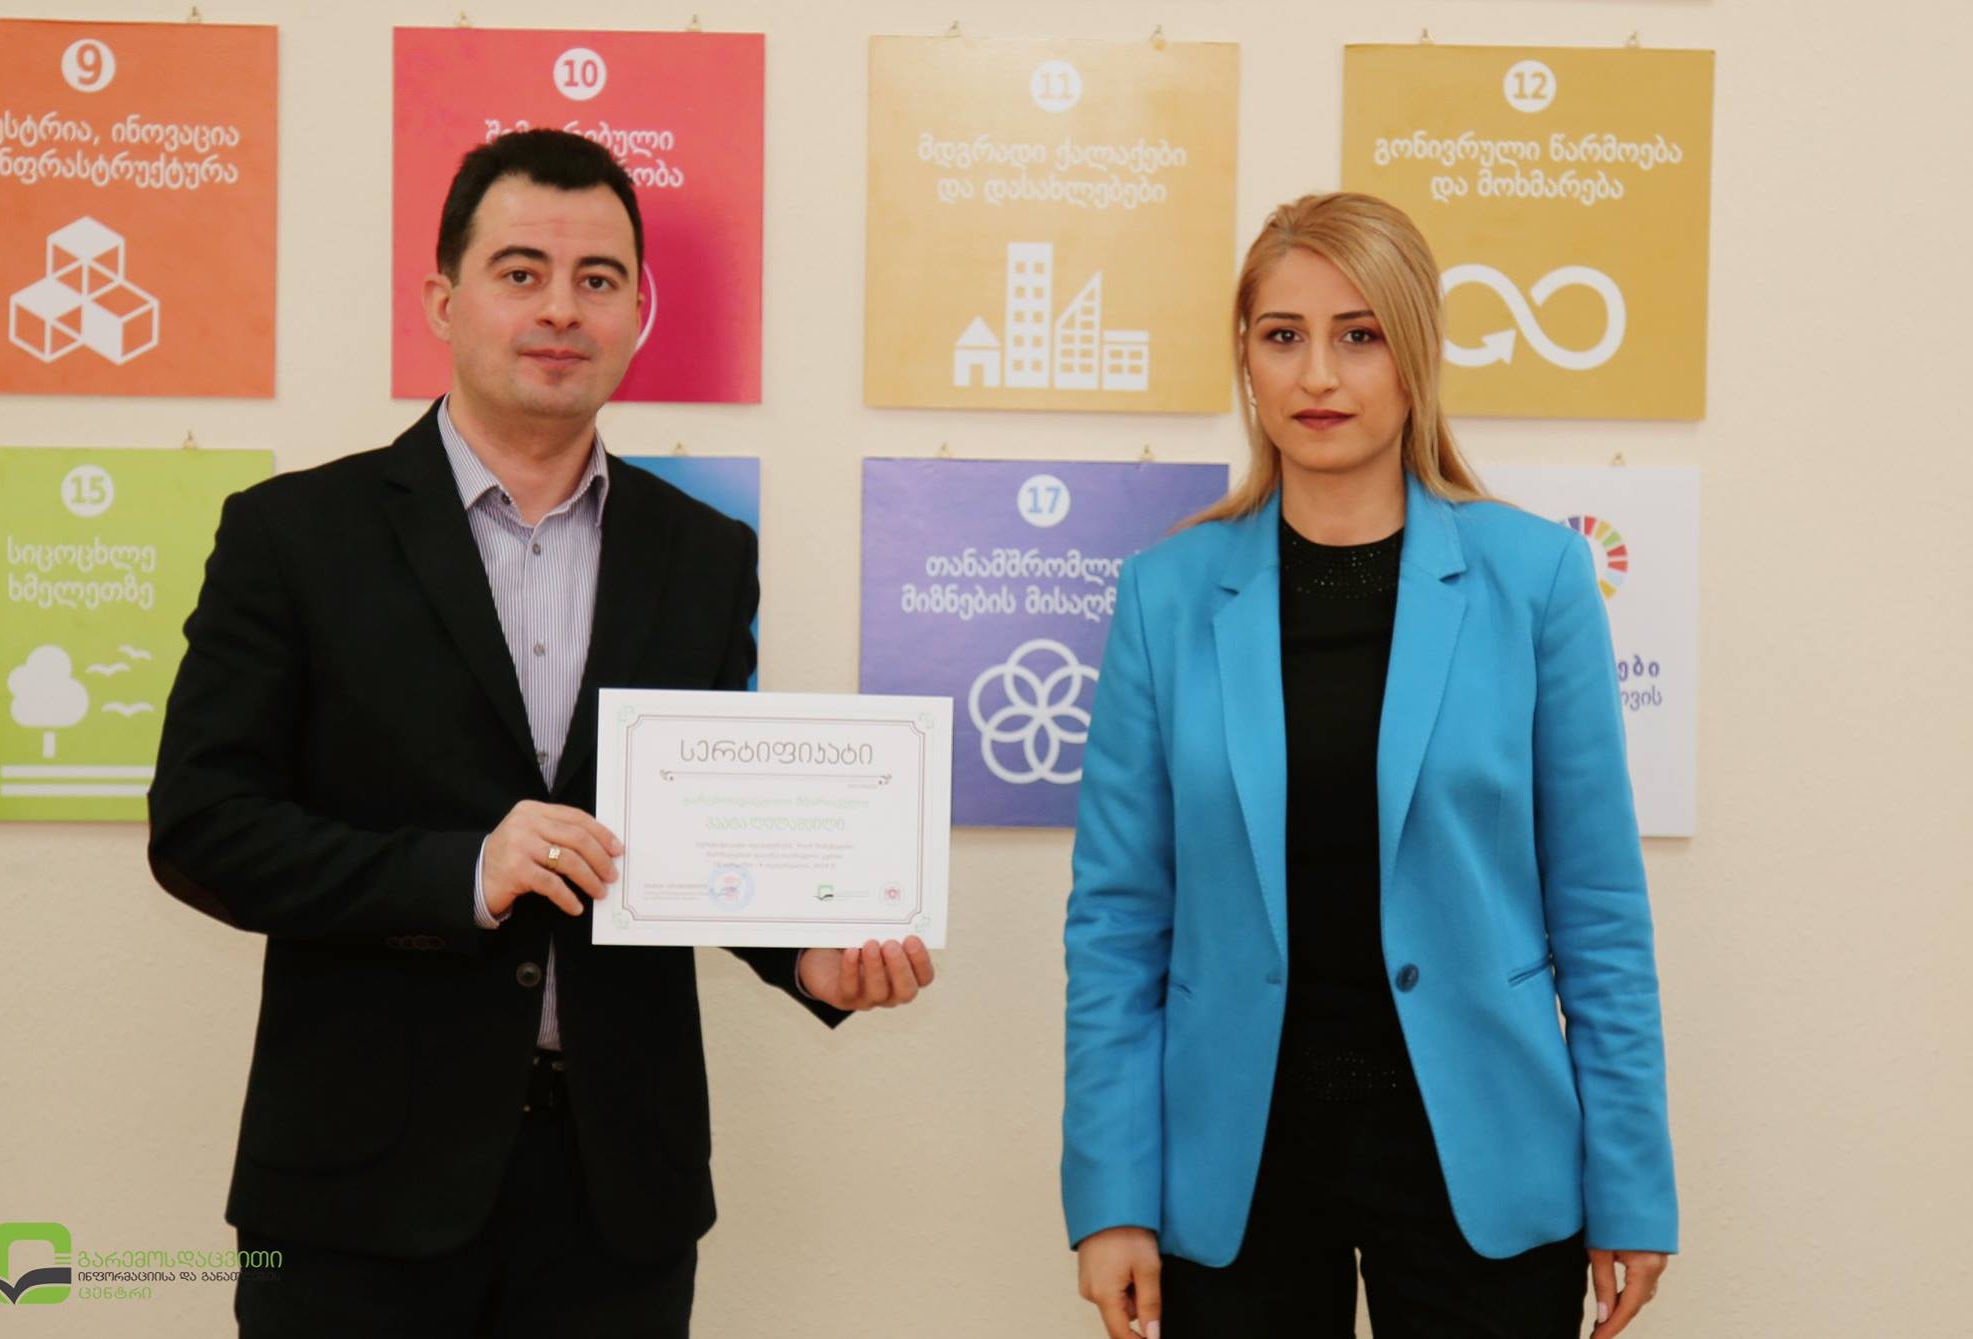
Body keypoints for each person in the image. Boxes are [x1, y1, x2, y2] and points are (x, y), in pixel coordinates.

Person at [148, 129, 936, 1338]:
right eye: (520, 272)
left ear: (636, 313)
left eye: (597, 279)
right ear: (442, 301)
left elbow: (694, 831)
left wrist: (804, 958)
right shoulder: (293, 535)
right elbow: (204, 828)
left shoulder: (701, 553)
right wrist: (462, 870)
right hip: (359, 1193)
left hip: (615, 1198)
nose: (561, 308)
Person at [1061, 193, 1676, 1339]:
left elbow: (1598, 915)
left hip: (1482, 1160)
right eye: (1280, 335)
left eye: (1358, 334)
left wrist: (1631, 1185)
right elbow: (1116, 924)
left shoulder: (1535, 579)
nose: (1317, 374)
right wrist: (1110, 1197)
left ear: (1415, 355)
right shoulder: (1165, 594)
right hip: (1233, 1171)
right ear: (1244, 359)